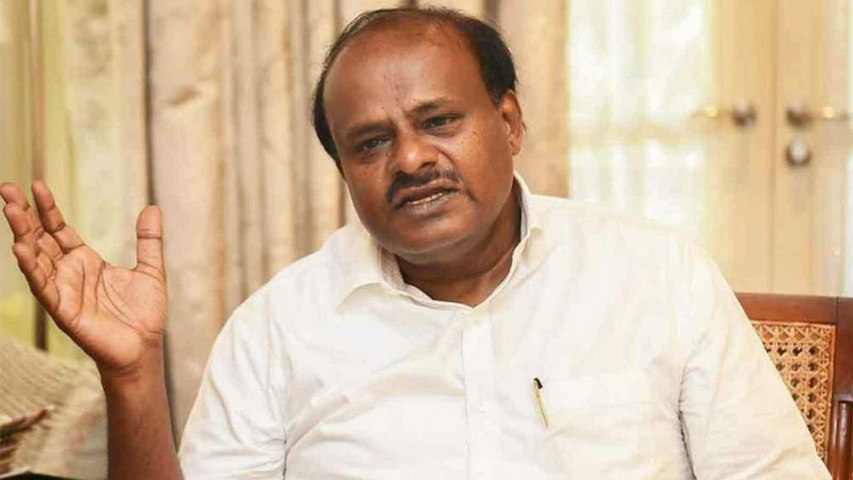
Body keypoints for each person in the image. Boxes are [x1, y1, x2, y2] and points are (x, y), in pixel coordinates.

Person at [0, 7, 830, 480]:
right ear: (344, 170)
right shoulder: (276, 327)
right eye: (369, 143)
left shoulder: (655, 275)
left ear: (508, 122)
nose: (409, 159)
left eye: (438, 121)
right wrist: (132, 376)